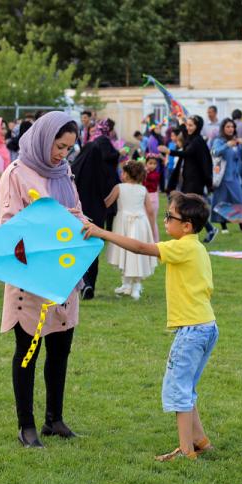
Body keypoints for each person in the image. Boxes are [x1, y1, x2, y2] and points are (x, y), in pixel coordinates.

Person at [81, 192, 218, 461]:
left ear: (187, 225)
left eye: (170, 216)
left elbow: (141, 248)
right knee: (186, 387)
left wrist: (101, 233)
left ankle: (186, 451)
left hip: (192, 331)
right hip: (206, 326)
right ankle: (200, 441)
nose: (165, 220)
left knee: (177, 389)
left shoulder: (184, 247)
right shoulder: (197, 247)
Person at [0, 111, 82, 448]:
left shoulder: (64, 172)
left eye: (68, 148)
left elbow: (76, 211)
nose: (62, 154)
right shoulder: (15, 174)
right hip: (29, 275)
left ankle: (54, 419)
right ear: (44, 138)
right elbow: (10, 224)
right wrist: (51, 227)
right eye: (59, 146)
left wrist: (79, 228)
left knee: (60, 349)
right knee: (28, 351)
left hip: (63, 273)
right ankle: (26, 426)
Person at [71, 118, 120, 299]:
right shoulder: (104, 170)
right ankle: (90, 283)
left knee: (77, 247)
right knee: (92, 248)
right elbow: (112, 189)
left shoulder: (77, 169)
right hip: (97, 212)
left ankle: (81, 282)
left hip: (79, 212)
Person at [104, 160, 157, 300]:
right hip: (141, 223)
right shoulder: (143, 189)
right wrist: (152, 229)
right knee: (136, 254)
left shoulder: (119, 187)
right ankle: (128, 285)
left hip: (124, 222)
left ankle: (135, 286)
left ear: (126, 174)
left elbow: (107, 203)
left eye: (123, 172)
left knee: (125, 251)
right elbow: (150, 211)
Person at [166, 114, 218, 243]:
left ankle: (208, 230)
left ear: (197, 127)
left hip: (196, 181)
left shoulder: (197, 141)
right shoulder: (191, 139)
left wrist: (169, 152)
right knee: (189, 208)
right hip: (188, 180)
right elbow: (184, 132)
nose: (188, 128)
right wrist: (182, 122)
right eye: (187, 125)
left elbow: (187, 153)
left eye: (191, 125)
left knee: (191, 208)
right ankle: (205, 230)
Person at [211, 118, 242, 232]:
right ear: (223, 128)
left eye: (232, 127)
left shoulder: (236, 141)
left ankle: (241, 225)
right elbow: (214, 152)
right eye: (228, 127)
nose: (230, 129)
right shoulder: (219, 141)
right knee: (222, 201)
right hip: (222, 177)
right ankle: (223, 226)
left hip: (234, 177)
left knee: (239, 200)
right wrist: (227, 145)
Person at [143, 154, 161, 241]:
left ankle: (155, 240)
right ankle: (147, 239)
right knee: (145, 220)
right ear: (146, 164)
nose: (152, 165)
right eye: (150, 163)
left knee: (152, 220)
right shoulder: (145, 173)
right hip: (146, 197)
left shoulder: (155, 174)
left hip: (153, 198)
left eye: (154, 164)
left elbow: (149, 180)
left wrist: (145, 173)